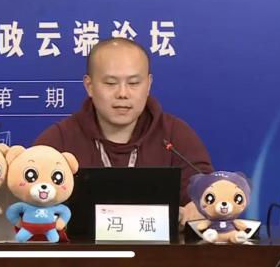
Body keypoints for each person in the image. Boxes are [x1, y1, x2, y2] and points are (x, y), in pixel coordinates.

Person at [32, 37, 214, 230]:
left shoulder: (175, 136)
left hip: (158, 249)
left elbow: (210, 193)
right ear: (89, 86)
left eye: (134, 83)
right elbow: (29, 197)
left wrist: (199, 207)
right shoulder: (59, 140)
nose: (122, 93)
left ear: (148, 84)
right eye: (111, 83)